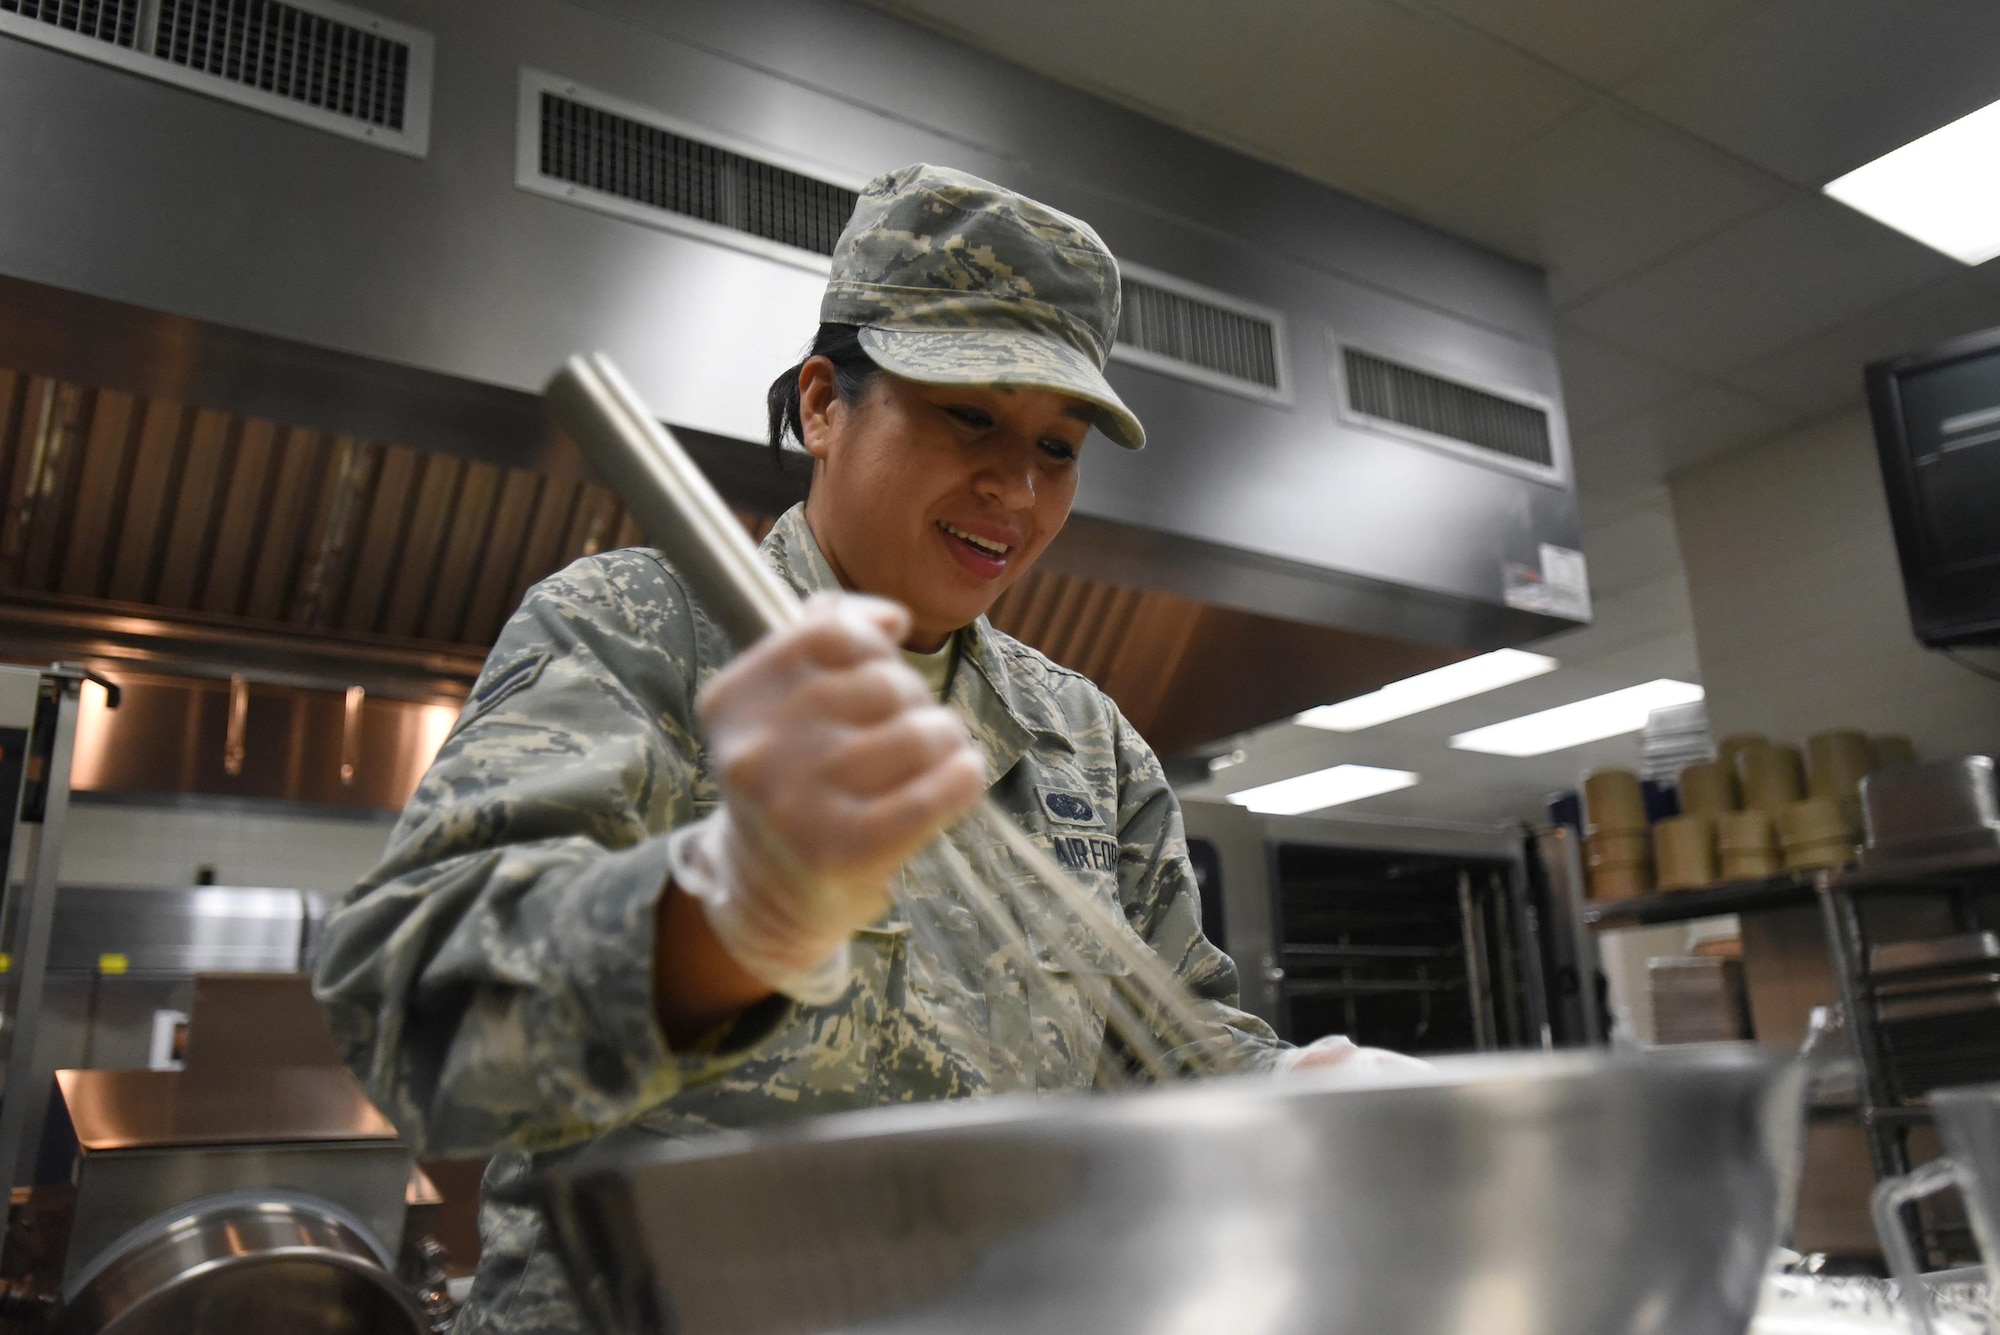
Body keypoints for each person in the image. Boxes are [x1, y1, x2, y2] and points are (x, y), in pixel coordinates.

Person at [314, 163, 1418, 1335]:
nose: (1015, 488)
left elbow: (1170, 1053)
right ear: (825, 403)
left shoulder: (1085, 745)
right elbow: (414, 1020)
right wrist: (728, 913)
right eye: (970, 416)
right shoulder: (637, 633)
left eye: (1058, 447)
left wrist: (1303, 1099)